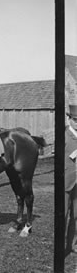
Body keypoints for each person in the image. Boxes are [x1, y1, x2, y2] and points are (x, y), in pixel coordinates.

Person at [65, 104, 77, 256]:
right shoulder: (64, 135)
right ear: (69, 119)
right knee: (64, 215)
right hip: (66, 181)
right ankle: (62, 248)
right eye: (75, 119)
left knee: (76, 215)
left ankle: (73, 244)